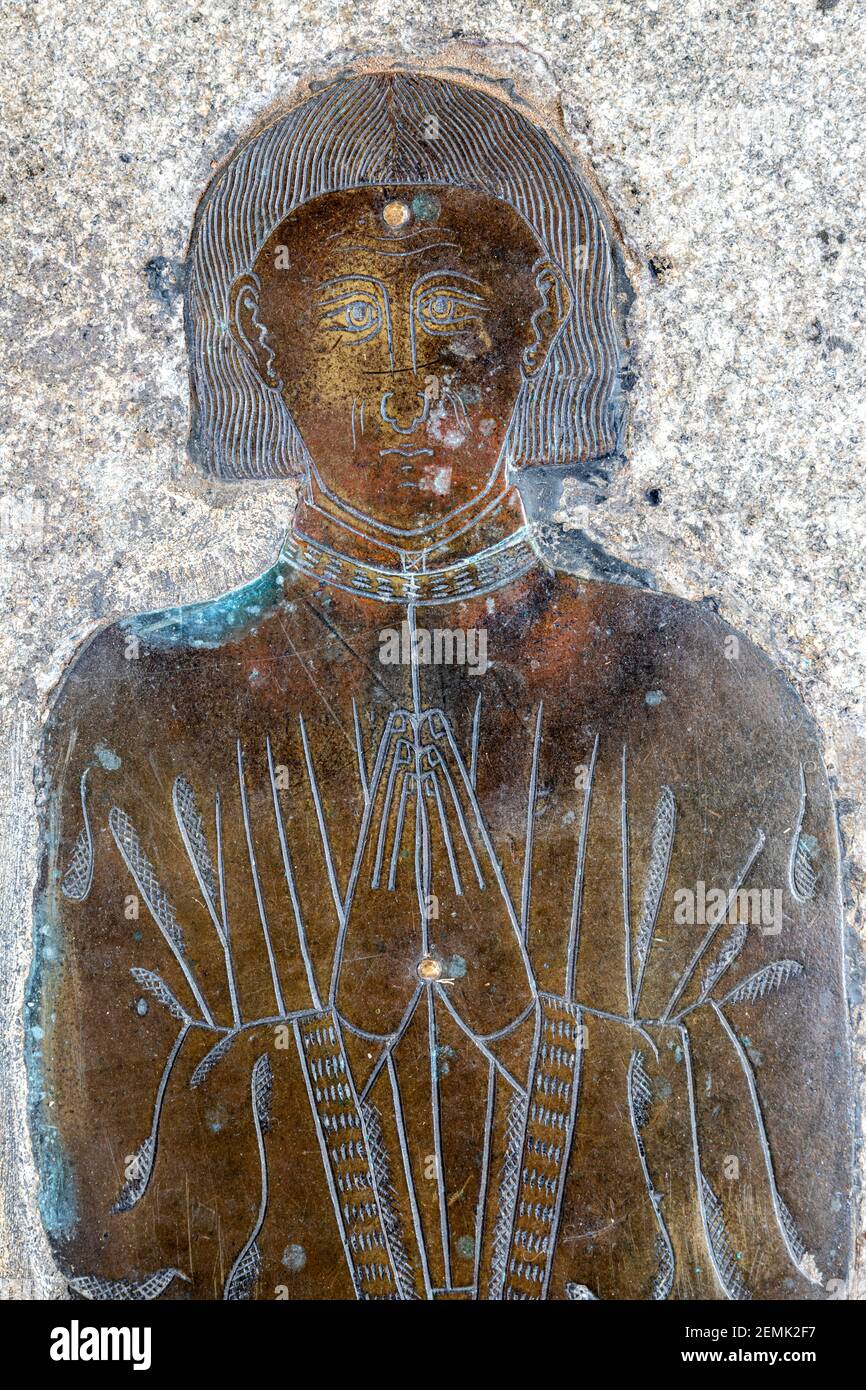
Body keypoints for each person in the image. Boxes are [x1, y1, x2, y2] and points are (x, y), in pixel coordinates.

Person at [29, 69, 851, 1301]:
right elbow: (101, 1203)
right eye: (349, 322)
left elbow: (800, 1209)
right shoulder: (143, 700)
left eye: (454, 331)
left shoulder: (699, 688)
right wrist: (318, 1054)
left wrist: (559, 1056)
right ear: (262, 338)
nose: (406, 393)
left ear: (540, 326)